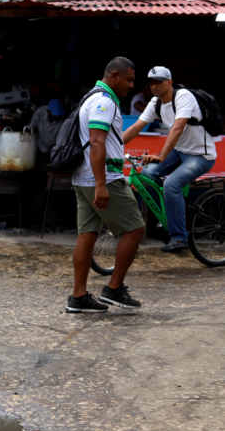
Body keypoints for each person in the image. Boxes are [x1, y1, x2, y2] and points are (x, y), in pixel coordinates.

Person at [67, 57, 145, 314]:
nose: (132, 85)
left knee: (87, 235)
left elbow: (109, 140)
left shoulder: (91, 97)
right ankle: (113, 289)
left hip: (82, 178)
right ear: (114, 76)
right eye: (129, 79)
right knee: (135, 229)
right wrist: (101, 184)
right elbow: (97, 143)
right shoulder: (104, 101)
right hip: (103, 179)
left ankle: (78, 297)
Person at [123, 66, 218, 252]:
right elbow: (136, 127)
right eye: (151, 82)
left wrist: (160, 156)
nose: (154, 86)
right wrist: (113, 145)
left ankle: (179, 238)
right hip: (180, 151)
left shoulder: (183, 96)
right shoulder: (156, 103)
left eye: (158, 82)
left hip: (201, 155)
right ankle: (169, 215)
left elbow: (177, 128)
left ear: (170, 82)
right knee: (148, 174)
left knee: (171, 184)